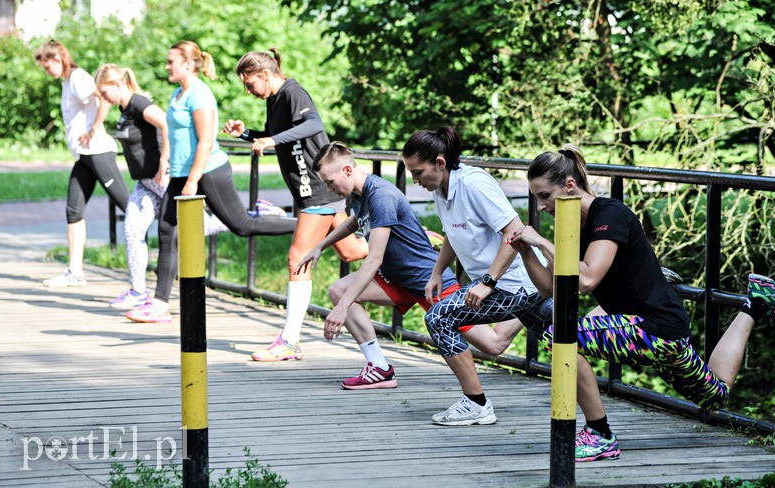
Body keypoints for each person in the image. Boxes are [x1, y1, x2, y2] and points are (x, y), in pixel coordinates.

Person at [507, 144, 775, 462]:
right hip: (646, 329)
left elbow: (586, 279)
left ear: (570, 186)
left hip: (657, 328)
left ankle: (600, 434)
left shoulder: (609, 215)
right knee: (715, 395)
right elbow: (551, 288)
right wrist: (526, 252)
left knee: (561, 336)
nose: (540, 206)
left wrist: (542, 241)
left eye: (545, 195)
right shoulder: (571, 224)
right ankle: (757, 302)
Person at [295, 142, 527, 389]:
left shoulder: (381, 195)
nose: (329, 189)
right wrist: (321, 245)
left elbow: (374, 259)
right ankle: (380, 368)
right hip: (396, 278)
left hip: (425, 280)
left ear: (348, 171)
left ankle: (536, 298)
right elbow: (355, 221)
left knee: (493, 344)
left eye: (330, 182)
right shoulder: (359, 194)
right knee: (339, 290)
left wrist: (342, 308)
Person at [125, 41, 297, 323]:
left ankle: (302, 225)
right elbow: (174, 134)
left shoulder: (200, 94)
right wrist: (167, 160)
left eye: (171, 62)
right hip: (180, 174)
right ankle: (159, 304)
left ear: (188, 64)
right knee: (167, 232)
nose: (167, 66)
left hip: (208, 172)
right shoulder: (177, 94)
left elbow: (206, 141)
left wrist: (193, 180)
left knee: (242, 226)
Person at [402, 127, 553, 426]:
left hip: (517, 284)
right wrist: (436, 272)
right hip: (510, 285)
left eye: (418, 172)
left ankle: (476, 404)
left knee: (439, 318)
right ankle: (598, 422)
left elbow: (514, 231)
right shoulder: (441, 189)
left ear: (440, 163)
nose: (415, 180)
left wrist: (488, 282)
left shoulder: (474, 184)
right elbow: (452, 232)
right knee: (566, 342)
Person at [223, 49, 368, 361]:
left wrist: (272, 141)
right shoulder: (274, 100)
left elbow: (313, 124)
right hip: (310, 191)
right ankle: (410, 236)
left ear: (265, 75)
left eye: (250, 84)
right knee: (352, 251)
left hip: (318, 188)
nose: (249, 91)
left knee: (297, 259)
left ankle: (289, 341)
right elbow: (279, 134)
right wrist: (247, 134)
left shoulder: (292, 92)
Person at [94, 63, 231, 309]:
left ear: (117, 84)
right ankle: (138, 291)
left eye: (104, 92)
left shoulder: (139, 104)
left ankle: (237, 218)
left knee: (197, 225)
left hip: (161, 178)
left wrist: (164, 160)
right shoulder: (124, 108)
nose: (103, 98)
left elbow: (166, 123)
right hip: (144, 182)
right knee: (133, 230)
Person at [35, 40, 130, 287]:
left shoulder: (78, 78)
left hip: (98, 152)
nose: (47, 71)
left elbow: (105, 98)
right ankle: (75, 273)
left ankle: (164, 253)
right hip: (84, 156)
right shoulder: (68, 81)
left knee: (129, 207)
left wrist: (94, 129)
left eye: (47, 66)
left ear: (58, 59)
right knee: (73, 210)